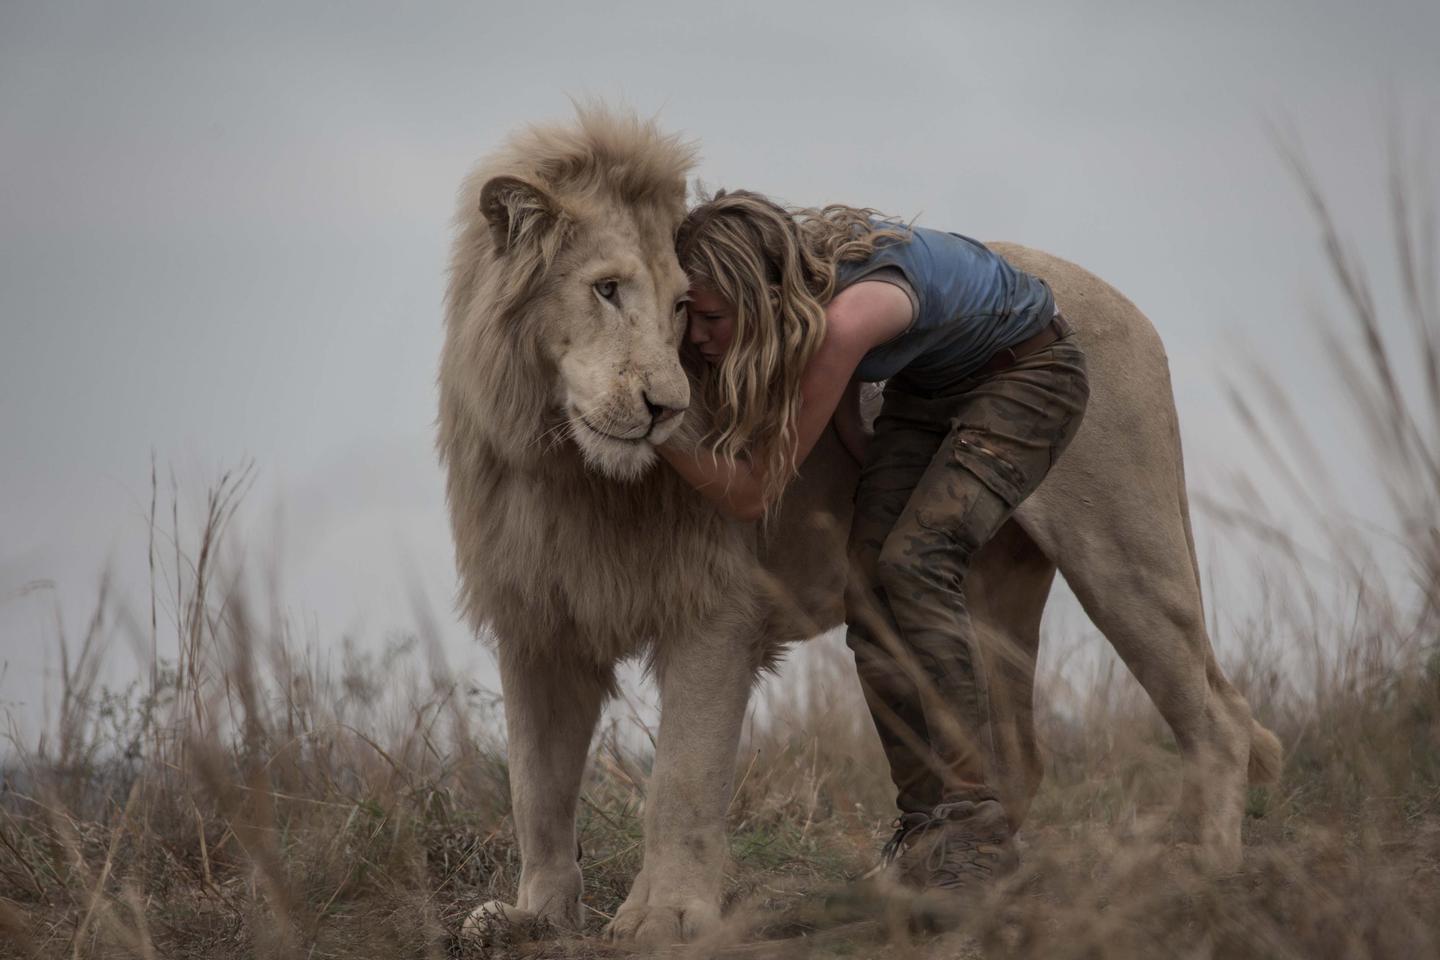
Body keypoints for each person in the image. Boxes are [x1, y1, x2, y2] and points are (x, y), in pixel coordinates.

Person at [657, 190, 1089, 896]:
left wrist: (660, 428)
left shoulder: (843, 324)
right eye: (687, 317)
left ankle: (977, 829)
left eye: (709, 318)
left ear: (761, 296)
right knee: (871, 588)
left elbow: (750, 493)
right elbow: (856, 435)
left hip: (1029, 371)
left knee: (916, 563)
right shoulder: (808, 309)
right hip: (932, 388)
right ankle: (926, 830)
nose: (696, 338)